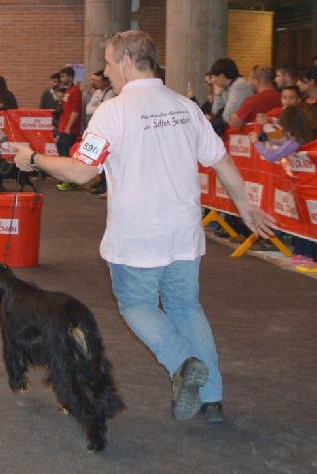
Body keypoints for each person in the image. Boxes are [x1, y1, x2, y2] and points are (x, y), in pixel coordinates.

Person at [14, 30, 277, 425]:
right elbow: (221, 160)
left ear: (126, 62)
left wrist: (33, 159)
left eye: (107, 63)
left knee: (136, 305)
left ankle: (182, 363)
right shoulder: (185, 107)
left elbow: (83, 172)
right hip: (185, 236)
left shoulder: (113, 112)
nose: (105, 71)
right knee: (186, 307)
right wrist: (246, 208)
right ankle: (212, 397)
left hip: (138, 238)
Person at [251, 104, 317, 269]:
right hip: (305, 186)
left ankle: (309, 256)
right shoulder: (303, 137)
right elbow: (279, 140)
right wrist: (267, 127)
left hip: (307, 186)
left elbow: (273, 155)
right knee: (305, 222)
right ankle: (302, 253)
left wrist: (256, 144)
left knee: (307, 223)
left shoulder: (297, 140)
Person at [208, 58, 253, 134]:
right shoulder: (227, 87)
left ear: (221, 76)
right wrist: (218, 94)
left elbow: (227, 116)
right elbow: (215, 112)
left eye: (214, 78)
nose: (212, 81)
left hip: (245, 130)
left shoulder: (239, 85)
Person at [55, 65, 82, 191]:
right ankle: (69, 180)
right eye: (60, 76)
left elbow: (75, 111)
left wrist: (68, 128)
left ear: (70, 77)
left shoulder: (75, 90)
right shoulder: (66, 91)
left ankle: (67, 181)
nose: (61, 79)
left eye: (64, 76)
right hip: (62, 128)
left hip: (69, 130)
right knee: (62, 154)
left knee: (66, 156)